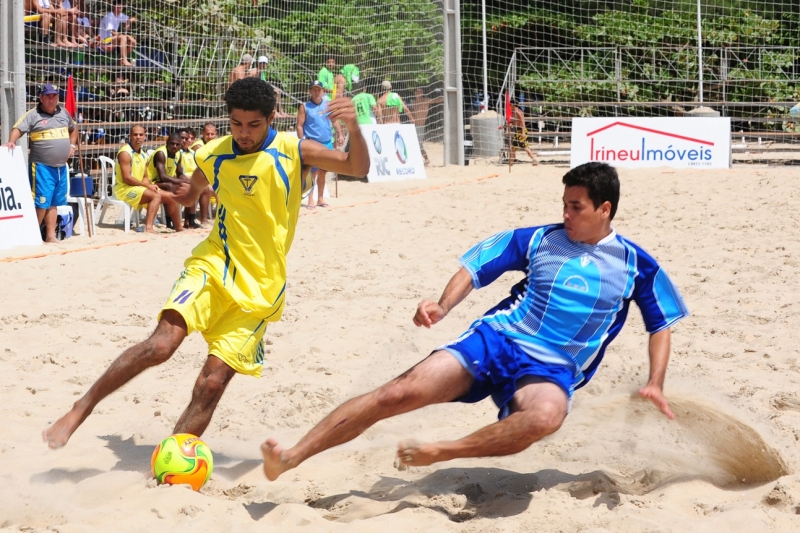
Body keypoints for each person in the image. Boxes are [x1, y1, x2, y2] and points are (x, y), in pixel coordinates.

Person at [261, 161, 689, 481]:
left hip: (551, 367)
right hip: (498, 338)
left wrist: (656, 381)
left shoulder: (637, 264)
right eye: (564, 205)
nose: (566, 215)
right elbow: (478, 266)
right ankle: (291, 456)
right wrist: (444, 306)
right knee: (396, 393)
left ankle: (444, 451)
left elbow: (661, 324)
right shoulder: (541, 238)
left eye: (576, 207)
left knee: (545, 418)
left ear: (605, 208)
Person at [42, 77, 370, 450]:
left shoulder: (294, 149)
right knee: (161, 346)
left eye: (253, 125)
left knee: (212, 383)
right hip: (214, 263)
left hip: (261, 287)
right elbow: (192, 191)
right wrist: (184, 194)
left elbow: (356, 166)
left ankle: (171, 458)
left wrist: (355, 128)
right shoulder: (214, 152)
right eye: (236, 124)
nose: (243, 134)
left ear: (272, 117)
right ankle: (80, 409)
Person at [1, 84, 78, 243]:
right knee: (41, 201)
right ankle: (33, 236)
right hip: (41, 166)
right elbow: (18, 128)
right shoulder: (33, 114)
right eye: (48, 96)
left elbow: (74, 128)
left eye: (54, 96)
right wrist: (11, 141)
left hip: (60, 167)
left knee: (54, 202)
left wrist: (72, 145)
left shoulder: (64, 113)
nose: (51, 99)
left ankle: (50, 236)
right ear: (41, 97)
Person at [113, 125, 182, 234]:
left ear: (145, 136)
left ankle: (179, 228)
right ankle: (148, 228)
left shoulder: (144, 154)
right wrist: (147, 186)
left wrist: (150, 185)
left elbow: (145, 177)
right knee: (156, 195)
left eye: (141, 135)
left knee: (170, 196)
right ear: (130, 136)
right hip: (124, 189)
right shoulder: (125, 153)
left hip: (138, 188)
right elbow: (127, 178)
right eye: (135, 134)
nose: (138, 137)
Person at [297, 80, 343, 209]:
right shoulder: (305, 106)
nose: (316, 92)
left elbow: (334, 121)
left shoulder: (328, 105)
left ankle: (320, 198)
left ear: (322, 91)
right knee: (312, 173)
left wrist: (340, 134)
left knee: (323, 171)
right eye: (314, 89)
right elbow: (299, 126)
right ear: (310, 91)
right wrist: (302, 141)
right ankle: (310, 199)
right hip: (312, 142)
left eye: (319, 89)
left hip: (327, 142)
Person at [147, 131, 204, 229]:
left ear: (180, 145)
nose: (174, 146)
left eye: (177, 144)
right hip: (152, 182)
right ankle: (170, 221)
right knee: (170, 186)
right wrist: (181, 181)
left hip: (168, 180)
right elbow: (163, 177)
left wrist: (187, 181)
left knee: (190, 187)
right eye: (172, 143)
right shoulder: (161, 153)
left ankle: (189, 220)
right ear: (167, 143)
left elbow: (179, 173)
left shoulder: (178, 154)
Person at [179, 127, 212, 226]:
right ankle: (190, 220)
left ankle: (203, 219)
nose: (189, 140)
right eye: (186, 138)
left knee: (205, 188)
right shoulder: (177, 152)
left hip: (191, 178)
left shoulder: (192, 153)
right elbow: (179, 173)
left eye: (191, 138)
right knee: (195, 186)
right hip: (181, 179)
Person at [409, 87, 443, 167]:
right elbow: (412, 113)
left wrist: (445, 94)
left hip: (421, 126)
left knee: (419, 144)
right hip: (413, 126)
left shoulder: (426, 101)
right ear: (415, 93)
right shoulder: (413, 102)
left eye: (420, 91)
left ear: (423, 93)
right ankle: (419, 160)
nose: (419, 93)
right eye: (417, 91)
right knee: (414, 144)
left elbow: (437, 100)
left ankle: (426, 159)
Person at [97, 1, 137, 66]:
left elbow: (135, 18)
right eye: (117, 7)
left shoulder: (120, 15)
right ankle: (124, 60)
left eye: (121, 7)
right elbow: (113, 33)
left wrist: (129, 21)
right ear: (113, 7)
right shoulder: (109, 16)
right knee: (123, 37)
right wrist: (126, 35)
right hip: (104, 40)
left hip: (112, 40)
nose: (119, 9)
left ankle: (120, 61)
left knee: (133, 41)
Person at [502, 97, 538, 166]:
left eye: (510, 104)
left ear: (512, 104)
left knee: (524, 147)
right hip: (519, 130)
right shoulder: (515, 111)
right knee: (514, 148)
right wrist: (508, 125)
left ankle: (534, 159)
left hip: (521, 131)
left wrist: (523, 132)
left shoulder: (517, 112)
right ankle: (511, 163)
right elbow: (516, 122)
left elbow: (522, 121)